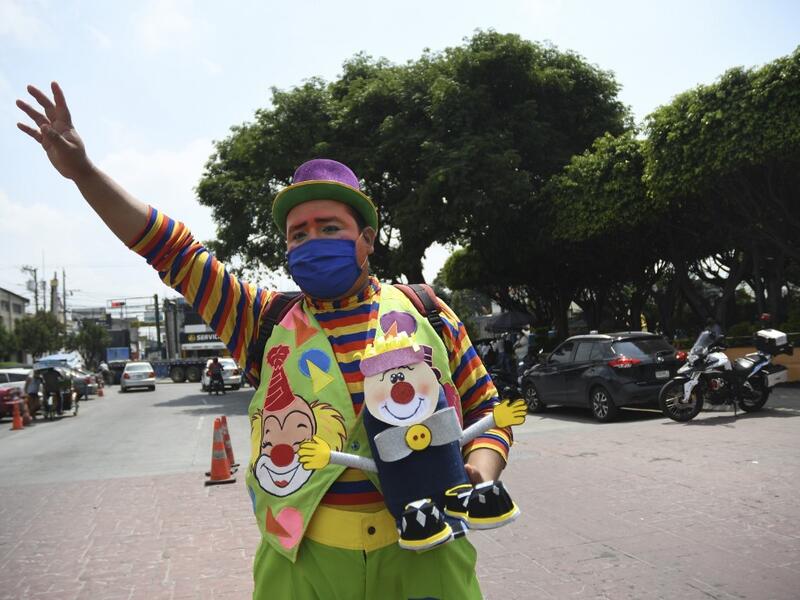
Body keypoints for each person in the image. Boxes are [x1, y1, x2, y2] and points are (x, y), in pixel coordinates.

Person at [17, 82, 515, 599]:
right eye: (298, 233)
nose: (311, 240)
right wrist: (85, 174)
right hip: (304, 566)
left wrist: (480, 469)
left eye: (329, 227)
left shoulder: (426, 309)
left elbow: (487, 410)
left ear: (367, 239)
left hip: (428, 557)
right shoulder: (260, 319)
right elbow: (173, 250)